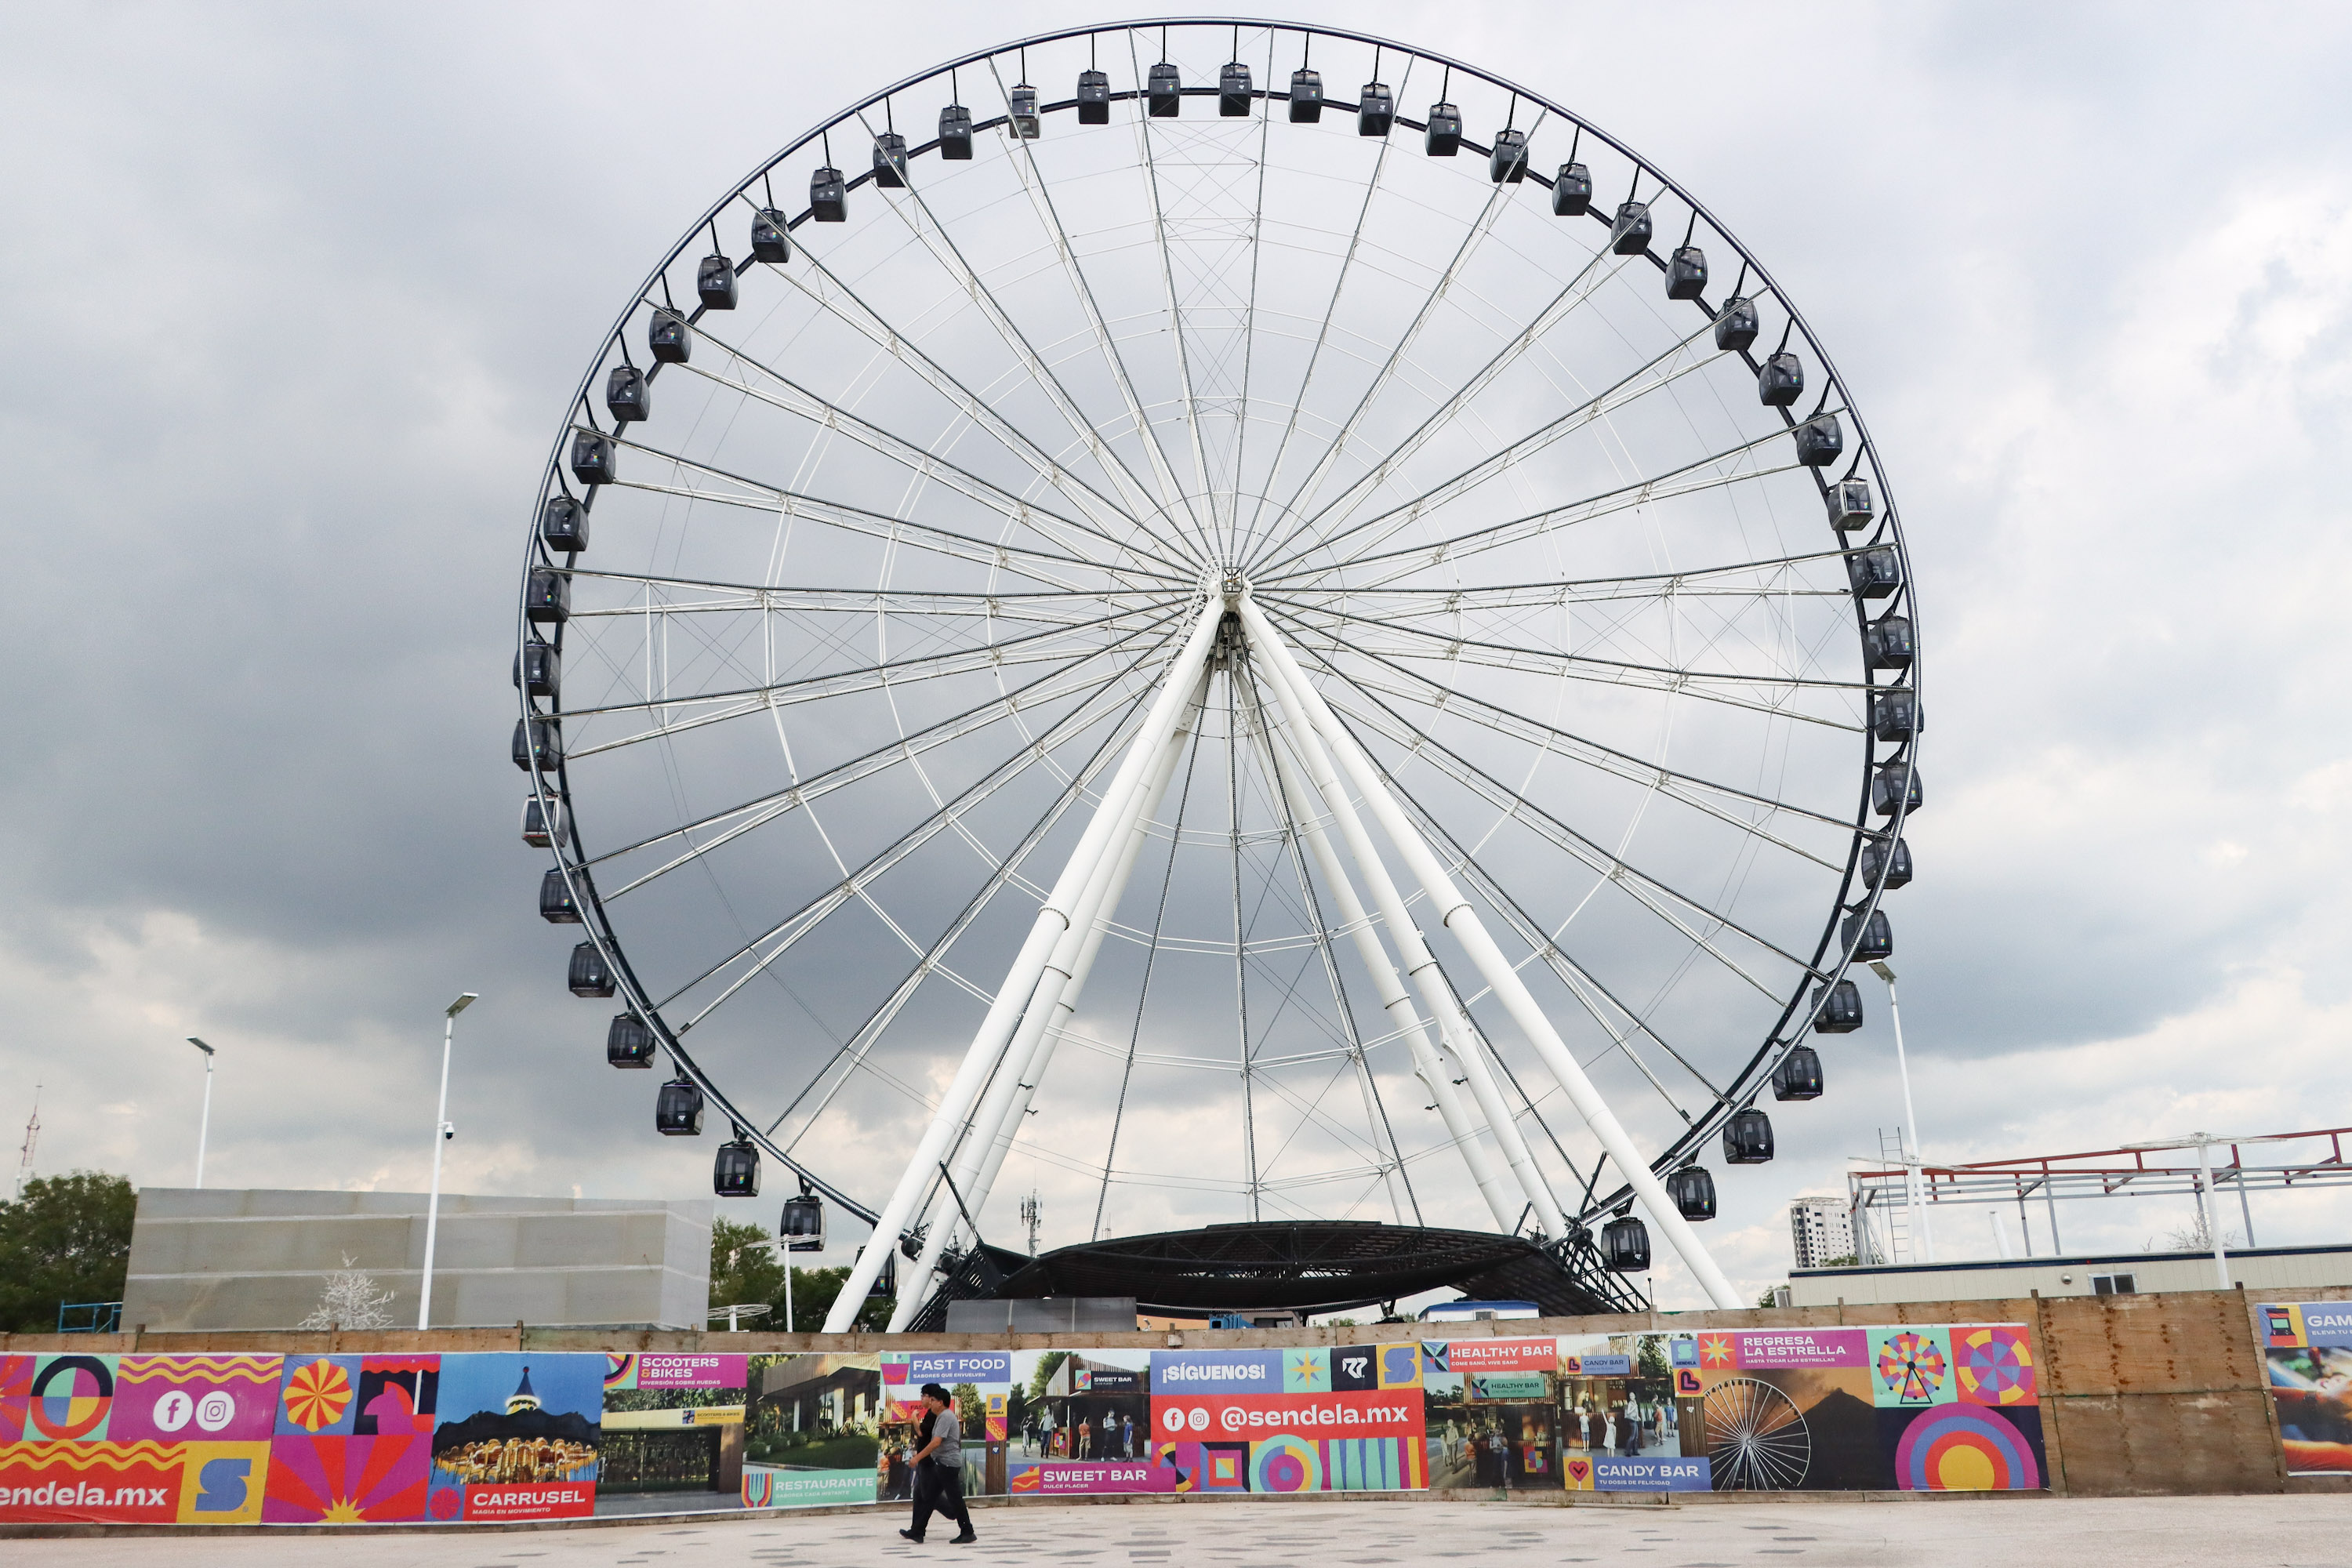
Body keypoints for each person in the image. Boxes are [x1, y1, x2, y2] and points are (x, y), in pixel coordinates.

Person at [899, 1385, 975, 1545]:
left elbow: (935, 1442)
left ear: (940, 1402)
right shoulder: (942, 1416)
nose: (930, 1403)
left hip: (948, 1464)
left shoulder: (946, 1417)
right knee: (929, 1497)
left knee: (954, 1499)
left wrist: (917, 1458)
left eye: (933, 1400)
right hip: (942, 1464)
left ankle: (967, 1531)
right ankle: (918, 1531)